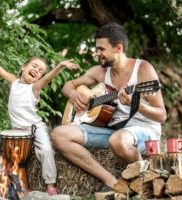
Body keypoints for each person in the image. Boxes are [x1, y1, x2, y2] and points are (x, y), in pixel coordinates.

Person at [50, 22, 167, 193]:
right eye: (96, 48)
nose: (97, 53)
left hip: (143, 131)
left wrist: (138, 105)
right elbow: (68, 85)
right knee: (58, 134)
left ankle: (145, 181)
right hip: (113, 129)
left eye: (101, 49)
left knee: (118, 140)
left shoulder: (143, 70)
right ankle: (112, 181)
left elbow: (162, 116)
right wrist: (73, 95)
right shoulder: (99, 72)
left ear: (118, 48)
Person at [0, 41, 78, 195]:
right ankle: (2, 180)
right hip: (17, 132)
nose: (37, 71)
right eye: (34, 66)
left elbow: (47, 79)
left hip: (35, 129)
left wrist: (59, 66)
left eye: (40, 71)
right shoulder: (14, 82)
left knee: (46, 150)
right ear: (23, 67)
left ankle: (50, 184)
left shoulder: (34, 88)